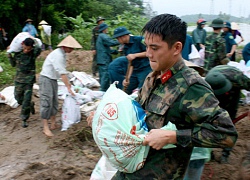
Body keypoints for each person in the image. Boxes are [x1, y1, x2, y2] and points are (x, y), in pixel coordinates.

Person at [88, 14, 238, 179]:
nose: (149, 54)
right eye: (147, 47)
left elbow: (226, 134)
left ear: (176, 48)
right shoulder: (153, 77)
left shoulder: (192, 87)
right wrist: (105, 118)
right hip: (130, 169)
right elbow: (135, 113)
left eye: (155, 48)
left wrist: (172, 136)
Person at [205, 65, 250, 163]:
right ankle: (209, 152)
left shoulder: (238, 79)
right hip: (212, 95)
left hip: (233, 92)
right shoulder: (203, 85)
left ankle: (225, 153)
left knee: (229, 122)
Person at [39, 35, 82, 137]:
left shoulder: (62, 54)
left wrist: (69, 80)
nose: (72, 50)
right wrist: (68, 87)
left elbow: (63, 71)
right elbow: (62, 73)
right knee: (46, 101)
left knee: (54, 101)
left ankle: (53, 123)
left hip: (53, 79)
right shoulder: (58, 55)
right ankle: (45, 127)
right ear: (65, 46)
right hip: (46, 78)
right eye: (70, 48)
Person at [7, 38, 41, 128]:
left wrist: (33, 40)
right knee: (18, 98)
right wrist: (9, 55)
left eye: (28, 49)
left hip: (29, 81)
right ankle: (30, 104)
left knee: (26, 99)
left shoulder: (33, 53)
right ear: (22, 45)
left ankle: (24, 118)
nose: (26, 51)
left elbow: (38, 47)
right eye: (25, 48)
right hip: (19, 80)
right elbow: (13, 64)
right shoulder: (18, 53)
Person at [109, 27, 152, 94]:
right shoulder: (125, 47)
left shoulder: (139, 40)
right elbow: (131, 64)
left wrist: (135, 55)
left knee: (143, 90)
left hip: (145, 69)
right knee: (127, 88)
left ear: (123, 37)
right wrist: (127, 78)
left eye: (118, 39)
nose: (118, 41)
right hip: (135, 70)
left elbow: (150, 52)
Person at [96, 23, 119, 92]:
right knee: (105, 76)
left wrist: (116, 51)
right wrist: (121, 40)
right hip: (104, 59)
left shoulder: (100, 37)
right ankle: (103, 91)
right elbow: (111, 42)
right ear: (104, 29)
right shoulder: (103, 36)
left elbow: (106, 49)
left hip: (101, 59)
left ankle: (103, 90)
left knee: (102, 76)